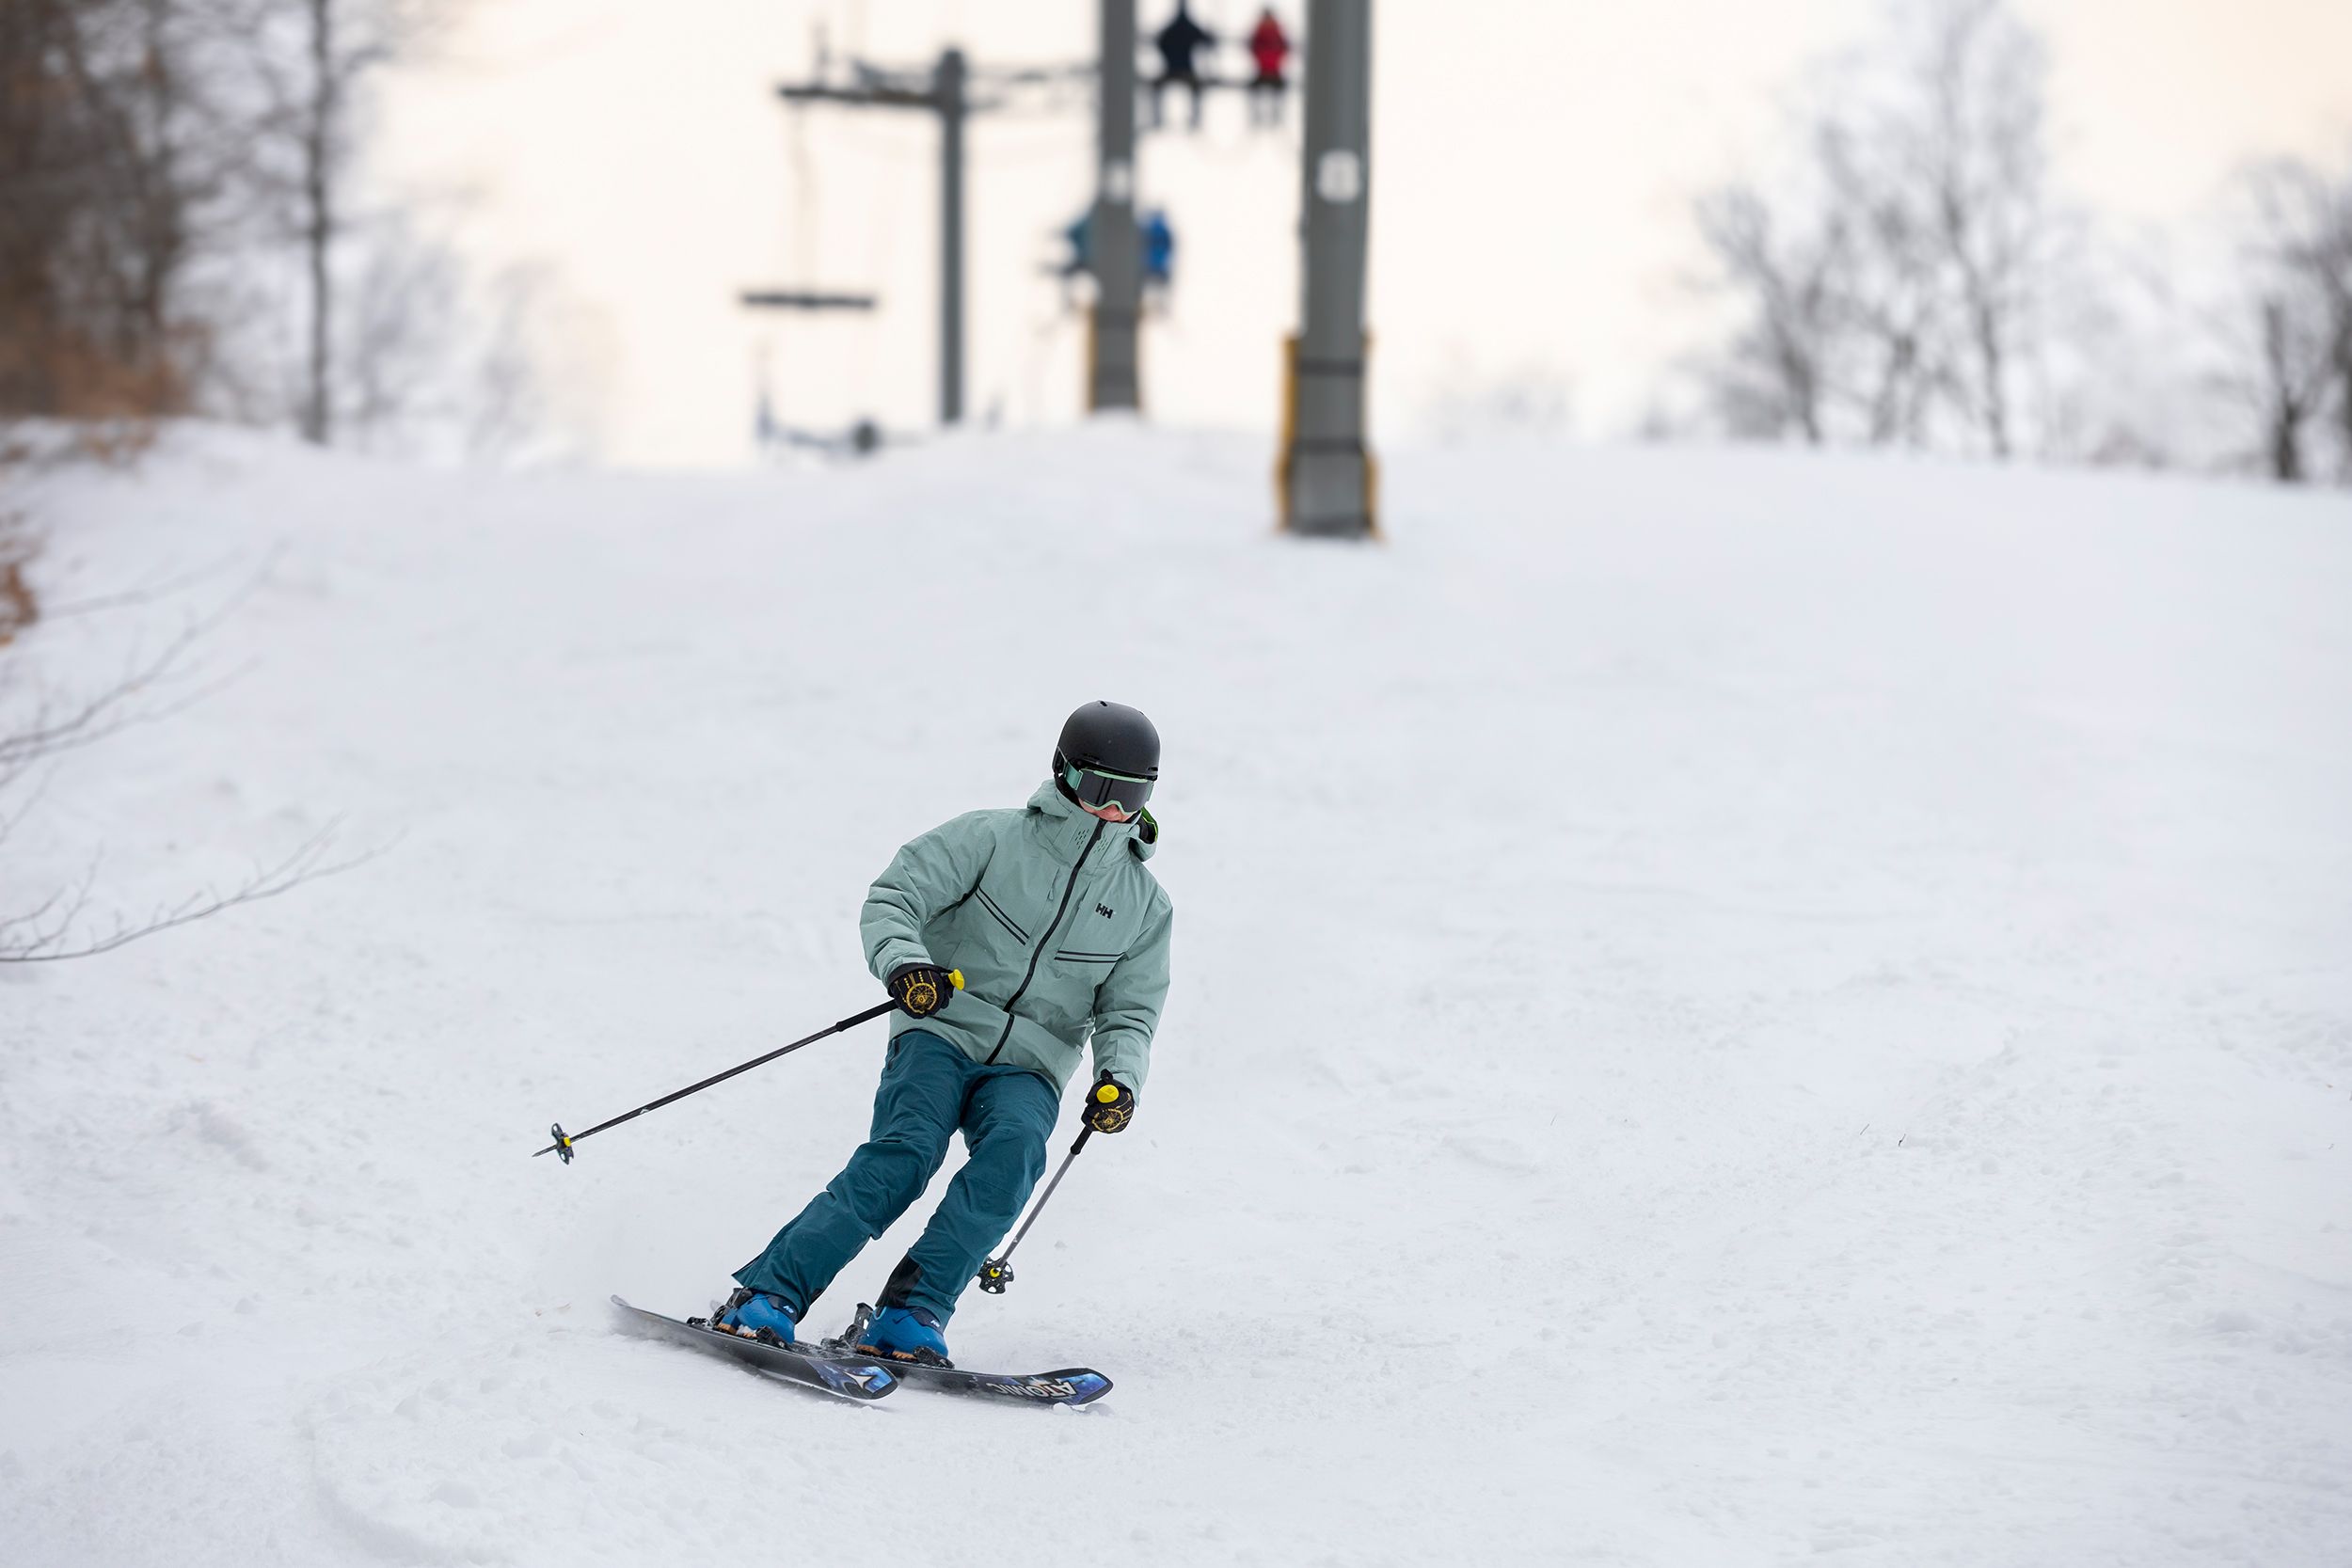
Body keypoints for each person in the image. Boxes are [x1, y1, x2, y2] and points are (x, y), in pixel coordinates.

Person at [716, 702, 1175, 1366]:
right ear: (1064, 773)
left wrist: (1119, 1080)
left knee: (1012, 1158)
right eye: (1100, 789)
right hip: (941, 1028)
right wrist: (905, 964)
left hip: (1032, 1064)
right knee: (906, 1154)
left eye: (1131, 795)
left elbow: (1130, 1010)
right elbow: (896, 895)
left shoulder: (1143, 905)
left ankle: (911, 1312)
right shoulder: (990, 839)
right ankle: (768, 1293)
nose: (1112, 810)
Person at [1151, 2, 1216, 131]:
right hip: (1185, 69)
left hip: (1171, 69)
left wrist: (1167, 57)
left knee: (1159, 87)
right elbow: (1207, 41)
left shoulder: (1171, 29)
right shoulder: (1189, 28)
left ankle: (1158, 119)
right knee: (1195, 88)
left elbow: (1159, 42)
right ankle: (1194, 119)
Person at [1247, 8, 1290, 127]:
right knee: (1257, 92)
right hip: (1263, 70)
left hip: (1274, 71)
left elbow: (1284, 48)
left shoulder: (1275, 32)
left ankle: (1276, 115)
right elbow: (1253, 48)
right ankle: (1258, 116)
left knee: (1277, 92)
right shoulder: (1261, 32)